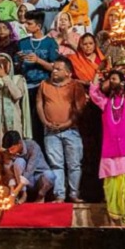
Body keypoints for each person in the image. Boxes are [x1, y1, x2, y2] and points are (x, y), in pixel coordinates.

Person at [89, 68, 125, 226]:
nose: (110, 82)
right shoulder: (106, 103)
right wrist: (96, 77)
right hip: (111, 153)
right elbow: (94, 94)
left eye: (113, 79)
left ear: (122, 82)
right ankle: (115, 221)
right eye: (109, 79)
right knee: (112, 187)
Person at [38, 59, 87, 203]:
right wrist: (45, 122)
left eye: (58, 69)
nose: (54, 71)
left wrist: (66, 124)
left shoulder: (75, 86)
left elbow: (79, 109)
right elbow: (39, 104)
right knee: (56, 164)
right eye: (53, 68)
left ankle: (73, 194)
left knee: (74, 164)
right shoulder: (44, 84)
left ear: (68, 73)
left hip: (71, 130)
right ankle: (59, 195)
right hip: (51, 131)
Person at [3, 130, 55, 202]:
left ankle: (41, 196)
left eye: (12, 149)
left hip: (39, 178)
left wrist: (16, 191)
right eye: (8, 150)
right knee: (18, 162)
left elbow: (29, 170)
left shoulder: (33, 146)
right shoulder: (8, 152)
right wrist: (12, 192)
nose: (10, 152)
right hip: (25, 183)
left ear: (20, 143)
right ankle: (24, 194)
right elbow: (8, 171)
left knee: (50, 175)